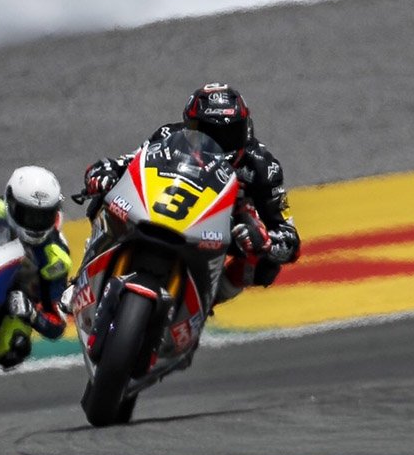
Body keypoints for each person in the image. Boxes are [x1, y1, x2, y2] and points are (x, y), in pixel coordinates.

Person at [80, 82, 300, 306]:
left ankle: (208, 300)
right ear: (189, 127)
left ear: (246, 128)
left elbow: (290, 239)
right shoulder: (167, 135)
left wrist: (266, 242)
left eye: (230, 134)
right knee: (106, 192)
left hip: (220, 228)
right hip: (161, 204)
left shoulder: (263, 167)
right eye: (207, 134)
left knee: (266, 265)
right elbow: (128, 163)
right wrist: (105, 171)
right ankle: (85, 273)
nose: (219, 145)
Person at [0, 165, 72, 369]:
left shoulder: (56, 258)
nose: (35, 224)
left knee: (16, 345)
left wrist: (32, 312)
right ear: (11, 202)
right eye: (29, 215)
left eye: (43, 216)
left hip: (6, 306)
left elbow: (58, 324)